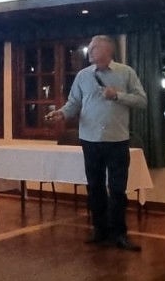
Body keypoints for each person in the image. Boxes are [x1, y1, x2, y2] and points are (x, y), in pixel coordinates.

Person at [45, 35, 147, 251]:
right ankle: (99, 230)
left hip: (117, 139)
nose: (89, 52)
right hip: (90, 139)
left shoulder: (126, 72)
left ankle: (119, 234)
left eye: (94, 48)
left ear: (108, 51)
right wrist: (61, 114)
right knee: (95, 187)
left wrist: (117, 95)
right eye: (89, 48)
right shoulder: (83, 75)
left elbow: (142, 100)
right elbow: (73, 103)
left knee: (117, 189)